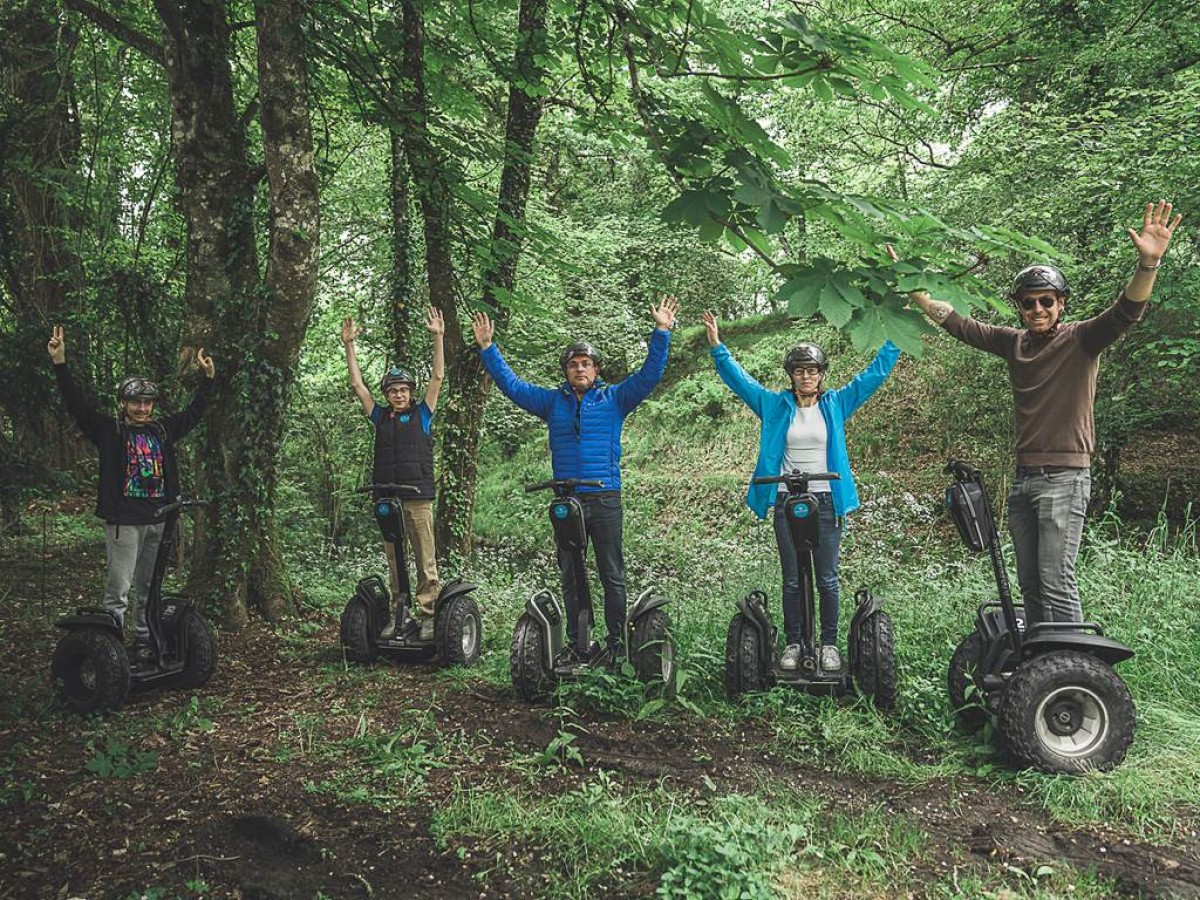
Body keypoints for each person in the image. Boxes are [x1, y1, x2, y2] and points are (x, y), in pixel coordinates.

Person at [894, 199, 1183, 625]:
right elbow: (956, 323)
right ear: (1021, 307)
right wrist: (909, 284)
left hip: (1065, 481)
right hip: (1024, 480)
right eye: (1029, 303)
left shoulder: (1082, 340)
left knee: (1056, 581)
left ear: (1061, 303)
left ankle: (1072, 675)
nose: (1038, 310)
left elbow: (1127, 312)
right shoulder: (1014, 343)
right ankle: (1038, 667)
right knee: (1029, 584)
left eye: (1046, 301)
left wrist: (1148, 265)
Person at [471, 297, 679, 663]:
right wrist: (489, 349)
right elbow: (514, 387)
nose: (579, 369)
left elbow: (649, 375)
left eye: (586, 364)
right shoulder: (553, 403)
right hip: (567, 502)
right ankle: (580, 642)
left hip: (605, 498)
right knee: (571, 574)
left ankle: (617, 644)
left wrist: (661, 331)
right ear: (565, 371)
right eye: (573, 365)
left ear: (596, 369)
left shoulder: (615, 398)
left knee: (611, 573)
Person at [702, 311, 900, 672]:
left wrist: (897, 336)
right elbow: (740, 381)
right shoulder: (775, 405)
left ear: (821, 375)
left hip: (826, 499)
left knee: (827, 578)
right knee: (792, 579)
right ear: (791, 376)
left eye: (812, 371)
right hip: (787, 499)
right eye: (799, 371)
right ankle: (794, 642)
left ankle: (828, 644)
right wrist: (718, 347)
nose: (806, 377)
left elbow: (872, 376)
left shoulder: (836, 403)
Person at [47, 326, 215, 663]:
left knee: (149, 588)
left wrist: (208, 380)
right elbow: (76, 406)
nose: (141, 408)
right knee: (119, 589)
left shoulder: (161, 430)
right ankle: (108, 651)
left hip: (159, 518)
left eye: (147, 402)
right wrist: (60, 362)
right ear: (123, 403)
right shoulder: (109, 431)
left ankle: (141, 640)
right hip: (125, 521)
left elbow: (193, 414)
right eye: (135, 402)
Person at [342, 308, 445, 640]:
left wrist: (438, 337)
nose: (399, 395)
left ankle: (429, 616)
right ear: (386, 394)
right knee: (395, 559)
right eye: (393, 390)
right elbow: (357, 385)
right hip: (388, 498)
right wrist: (349, 346)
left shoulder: (423, 414)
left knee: (425, 560)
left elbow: (438, 378)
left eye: (403, 390)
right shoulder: (380, 417)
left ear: (410, 392)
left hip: (418, 499)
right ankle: (399, 614)